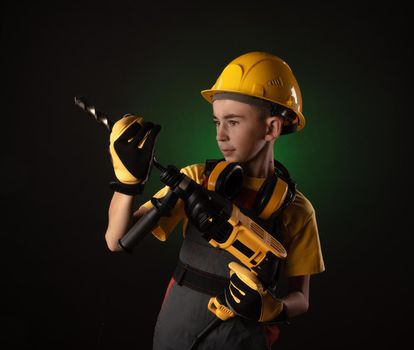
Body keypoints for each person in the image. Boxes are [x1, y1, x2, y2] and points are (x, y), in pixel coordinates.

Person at [104, 51, 325, 349]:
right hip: (175, 329)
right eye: (216, 121)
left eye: (233, 122)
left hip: (242, 338)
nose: (220, 135)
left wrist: (276, 309)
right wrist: (127, 184)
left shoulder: (296, 209)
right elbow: (116, 240)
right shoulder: (197, 178)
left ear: (271, 127)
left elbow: (302, 299)